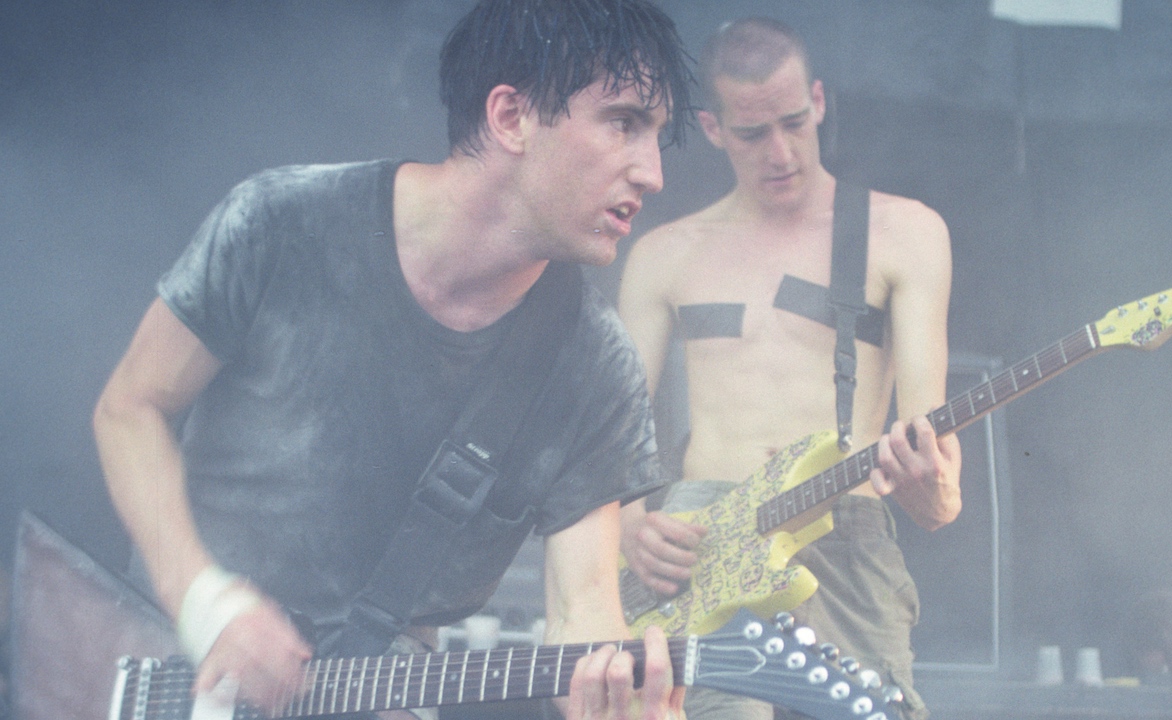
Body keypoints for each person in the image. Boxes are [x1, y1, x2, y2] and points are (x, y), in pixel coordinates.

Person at [91, 1, 695, 718]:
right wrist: (202, 599)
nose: (654, 172)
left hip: (382, 693)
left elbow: (585, 612)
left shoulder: (595, 365)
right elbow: (130, 407)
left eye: (657, 135)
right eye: (624, 123)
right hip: (167, 669)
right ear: (511, 118)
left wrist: (622, 706)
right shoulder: (283, 221)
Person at [617, 17, 961, 720]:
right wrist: (625, 522)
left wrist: (936, 492)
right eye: (751, 133)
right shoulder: (663, 253)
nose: (780, 151)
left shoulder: (906, 232)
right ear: (711, 128)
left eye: (794, 122)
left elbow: (936, 470)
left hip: (844, 524)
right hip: (703, 539)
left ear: (820, 101)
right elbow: (605, 435)